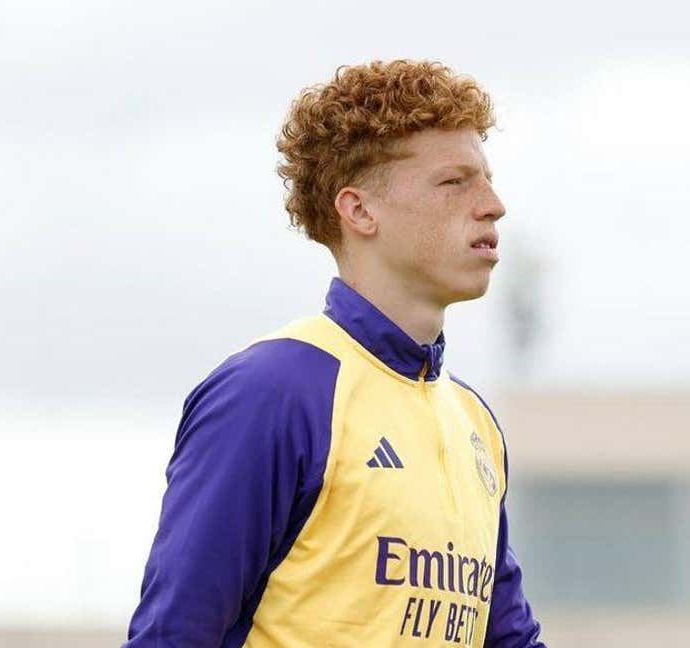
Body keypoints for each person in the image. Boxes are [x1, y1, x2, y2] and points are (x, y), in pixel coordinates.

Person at [123, 59, 546, 648]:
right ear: (360, 210)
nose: (493, 204)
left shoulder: (475, 423)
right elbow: (174, 635)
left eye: (487, 179)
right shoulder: (271, 391)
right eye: (455, 182)